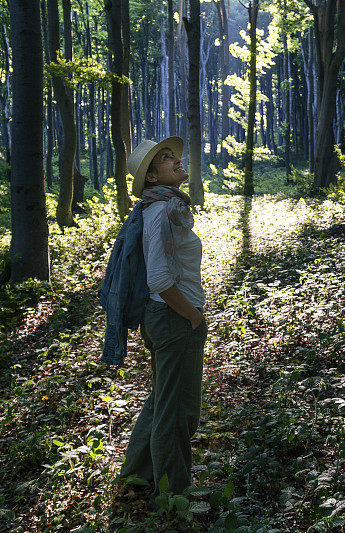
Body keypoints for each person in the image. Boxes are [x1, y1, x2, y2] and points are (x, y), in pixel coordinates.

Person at [117, 136, 207, 499]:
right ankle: (174, 494)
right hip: (173, 318)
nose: (176, 160)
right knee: (179, 410)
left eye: (173, 155)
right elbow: (160, 279)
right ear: (152, 178)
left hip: (160, 317)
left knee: (161, 400)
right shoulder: (166, 210)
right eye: (166, 159)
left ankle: (138, 475)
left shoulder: (158, 206)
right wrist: (193, 317)